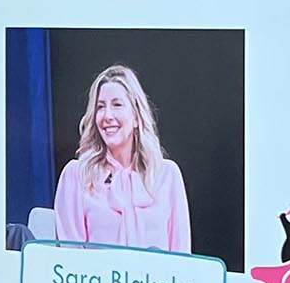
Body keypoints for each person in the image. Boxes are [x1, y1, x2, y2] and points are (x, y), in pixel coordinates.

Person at [52, 65, 188, 252]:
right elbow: (71, 263)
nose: (107, 116)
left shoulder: (167, 175)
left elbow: (182, 261)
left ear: (136, 117)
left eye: (117, 105)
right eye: (100, 107)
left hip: (156, 281)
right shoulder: (76, 176)